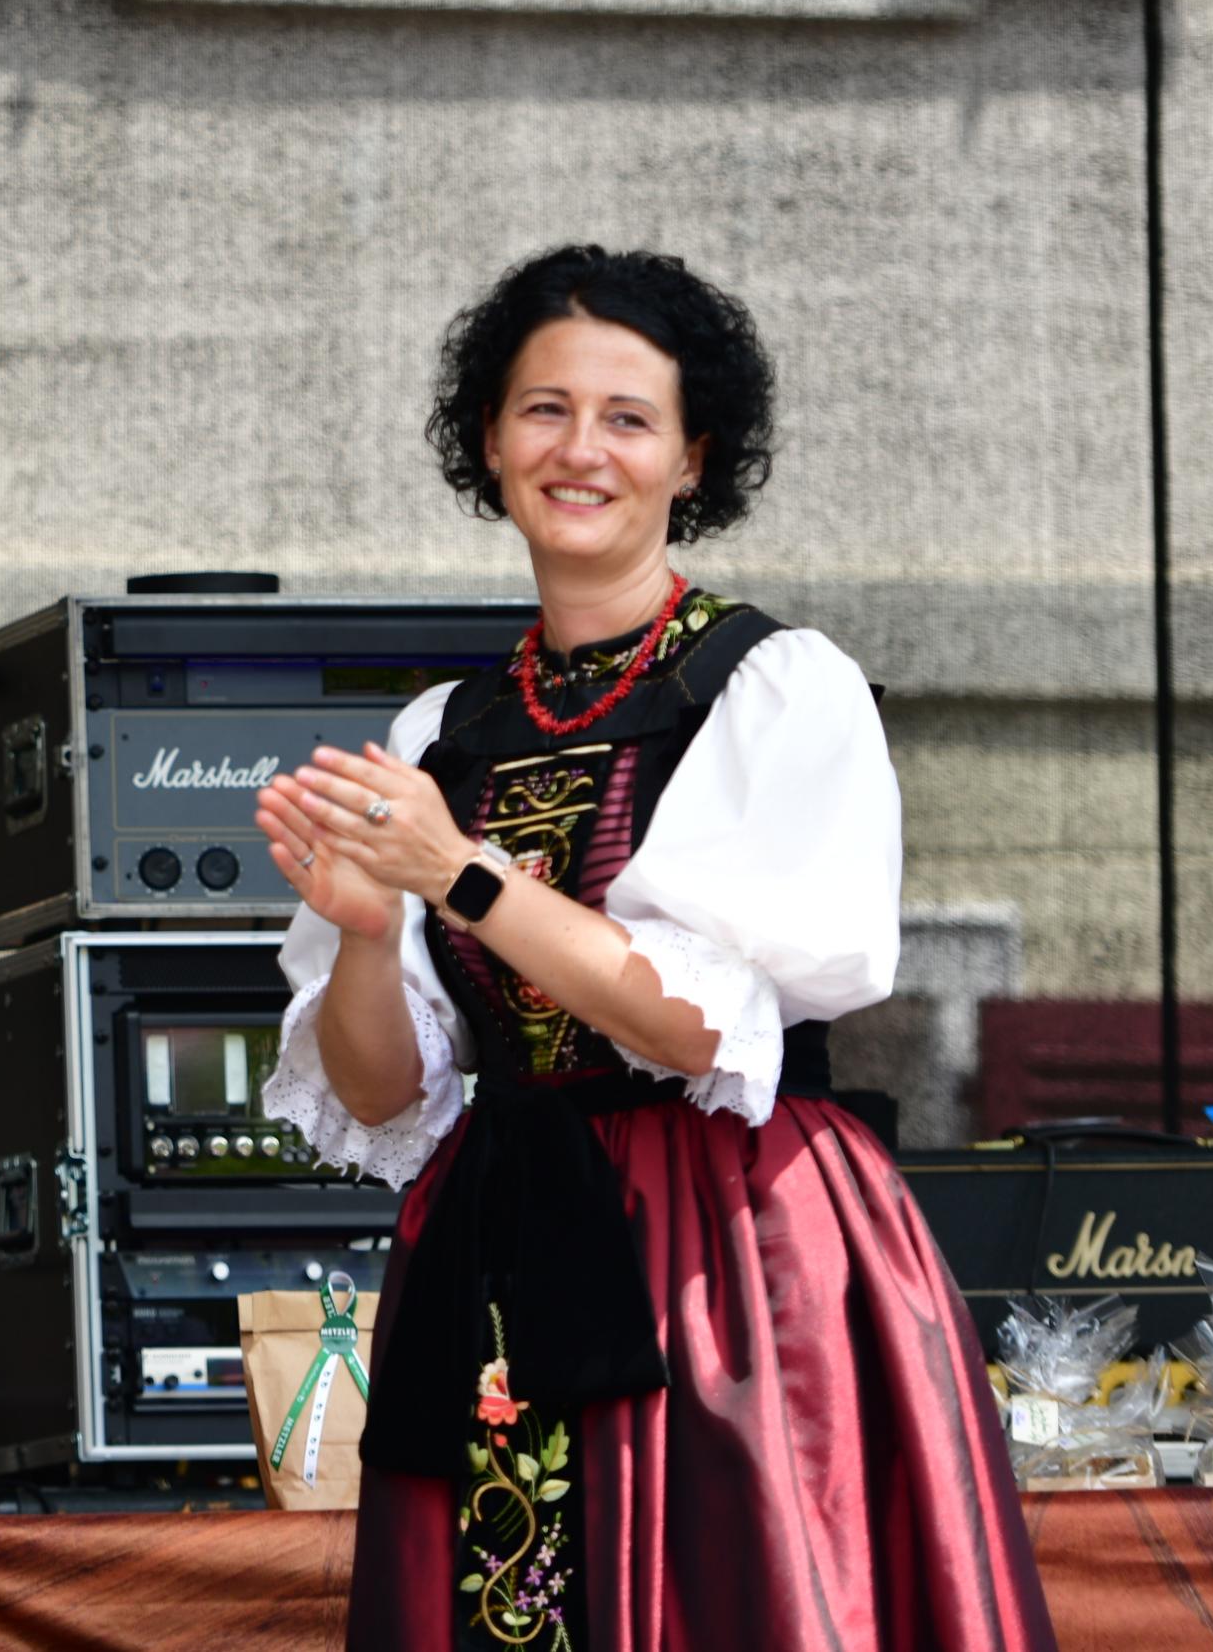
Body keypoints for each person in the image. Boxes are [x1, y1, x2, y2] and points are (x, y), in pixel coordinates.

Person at [255, 248, 1054, 1652]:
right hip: (503, 1242)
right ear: (489, 440)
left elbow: (690, 1026)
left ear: (693, 458)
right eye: (544, 409)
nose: (581, 449)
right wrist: (371, 936)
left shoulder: (776, 687)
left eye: (627, 418)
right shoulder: (441, 732)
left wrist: (459, 873)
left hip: (733, 1243)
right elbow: (381, 1096)